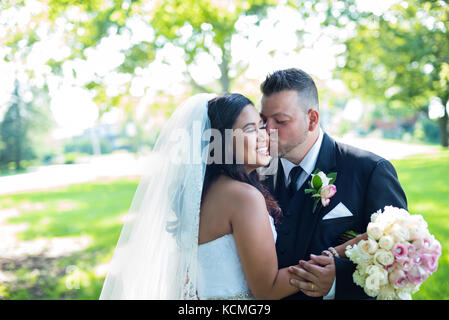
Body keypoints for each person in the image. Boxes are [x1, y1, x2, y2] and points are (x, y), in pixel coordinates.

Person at [99, 92, 359, 299]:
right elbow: (267, 290)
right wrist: (344, 250)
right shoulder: (243, 197)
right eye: (249, 130)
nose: (264, 136)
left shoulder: (205, 192)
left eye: (260, 126)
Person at [260, 68, 408, 300]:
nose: (268, 130)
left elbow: (400, 260)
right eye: (263, 120)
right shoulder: (257, 176)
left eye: (280, 121)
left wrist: (337, 282)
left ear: (312, 119)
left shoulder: (371, 171)